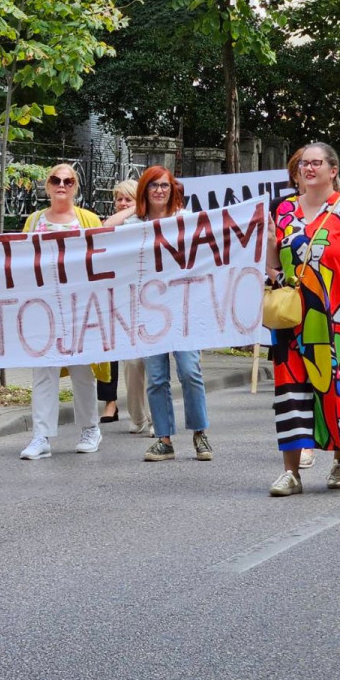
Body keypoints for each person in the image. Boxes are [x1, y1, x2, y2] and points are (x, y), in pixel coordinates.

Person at [266, 142, 340, 496]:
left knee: (336, 390)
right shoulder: (283, 211)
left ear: (333, 171)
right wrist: (270, 244)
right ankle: (291, 472)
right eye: (303, 164)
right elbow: (273, 264)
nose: (308, 168)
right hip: (291, 321)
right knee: (289, 392)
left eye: (316, 163)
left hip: (338, 321)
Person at [125, 166, 214, 462]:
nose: (159, 191)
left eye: (164, 185)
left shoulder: (185, 221)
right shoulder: (134, 224)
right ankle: (164, 438)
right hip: (148, 311)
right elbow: (105, 230)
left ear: (172, 189)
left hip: (183, 309)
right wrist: (127, 214)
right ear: (145, 191)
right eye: (153, 186)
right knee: (156, 377)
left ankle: (200, 433)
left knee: (190, 371)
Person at [19, 164, 107, 460]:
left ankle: (90, 428)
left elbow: (107, 256)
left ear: (75, 186)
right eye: (56, 180)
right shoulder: (33, 221)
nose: (62, 185)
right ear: (47, 185)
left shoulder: (89, 220)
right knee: (44, 371)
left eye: (68, 181)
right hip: (43, 308)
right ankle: (41, 436)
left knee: (83, 370)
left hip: (81, 308)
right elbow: (19, 261)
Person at [99, 180, 153, 436]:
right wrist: (129, 209)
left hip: (152, 302)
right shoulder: (115, 226)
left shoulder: (148, 224)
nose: (122, 204)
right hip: (124, 302)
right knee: (132, 364)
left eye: (128, 199)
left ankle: (156, 420)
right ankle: (138, 416)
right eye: (118, 199)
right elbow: (105, 227)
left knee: (153, 363)